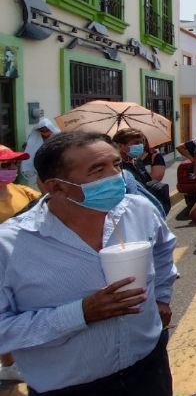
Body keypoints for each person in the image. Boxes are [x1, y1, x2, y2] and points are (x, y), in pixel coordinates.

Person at [0, 131, 177, 395]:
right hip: (70, 386)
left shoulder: (138, 209)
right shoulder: (9, 246)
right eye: (98, 170)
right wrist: (80, 314)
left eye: (116, 164)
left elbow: (163, 250)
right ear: (55, 186)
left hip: (149, 368)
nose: (116, 176)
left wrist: (162, 297)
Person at [0, 145, 40, 383]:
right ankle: (8, 362)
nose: (11, 169)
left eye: (13, 165)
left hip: (23, 262)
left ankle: (14, 360)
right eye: (4, 166)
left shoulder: (23, 191)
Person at [21, 118, 60, 188]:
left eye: (47, 130)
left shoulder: (58, 135)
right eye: (42, 131)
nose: (45, 132)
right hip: (40, 164)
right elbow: (29, 149)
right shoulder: (34, 137)